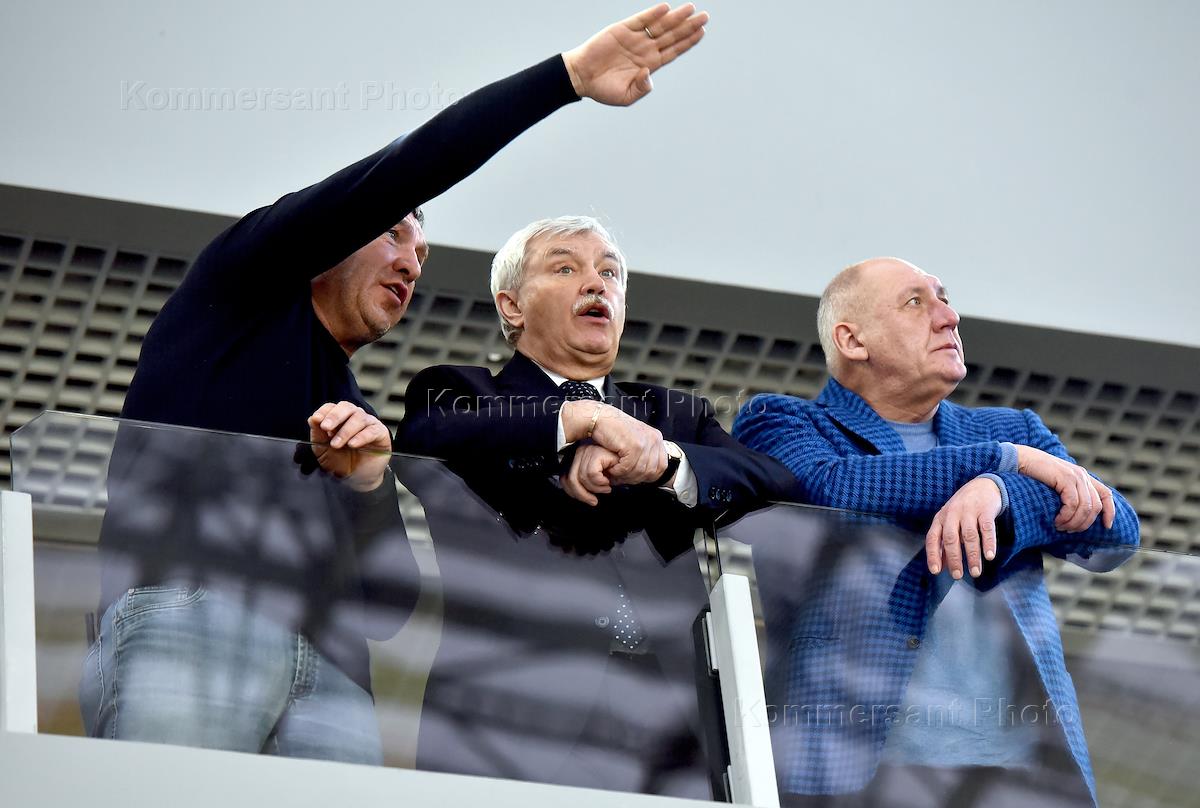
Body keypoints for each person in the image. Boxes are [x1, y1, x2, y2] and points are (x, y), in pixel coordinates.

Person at [82, 4, 712, 764]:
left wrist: (370, 489)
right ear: (336, 237)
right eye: (393, 231)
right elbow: (415, 162)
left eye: (422, 251)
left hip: (338, 677)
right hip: (195, 611)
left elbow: (391, 608)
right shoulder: (242, 284)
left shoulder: (358, 411)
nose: (412, 260)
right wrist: (566, 78)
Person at [394, 215, 797, 796]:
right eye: (565, 268)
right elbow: (429, 439)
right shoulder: (460, 392)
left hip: (675, 723)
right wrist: (581, 421)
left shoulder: (674, 417)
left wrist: (663, 462)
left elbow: (781, 485)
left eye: (610, 273)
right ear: (511, 306)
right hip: (505, 709)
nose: (595, 283)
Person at [732, 257, 1140, 806]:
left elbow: (1117, 529)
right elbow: (833, 488)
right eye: (915, 302)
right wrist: (1008, 461)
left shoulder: (1015, 425)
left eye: (944, 299)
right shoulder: (780, 421)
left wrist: (998, 491)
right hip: (855, 771)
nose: (949, 317)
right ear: (852, 340)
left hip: (1020, 777)